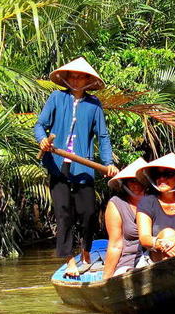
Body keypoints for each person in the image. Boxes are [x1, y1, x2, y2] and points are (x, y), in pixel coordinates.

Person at [34, 57, 118, 278]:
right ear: (67, 78)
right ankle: (70, 260)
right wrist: (43, 140)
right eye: (73, 75)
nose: (77, 79)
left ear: (88, 80)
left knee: (89, 212)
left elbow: (102, 135)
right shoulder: (56, 98)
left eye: (82, 76)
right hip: (57, 164)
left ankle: (86, 250)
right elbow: (40, 125)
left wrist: (108, 163)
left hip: (83, 166)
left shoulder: (94, 104)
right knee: (63, 213)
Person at [102, 157, 148, 280]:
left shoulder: (155, 200)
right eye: (132, 181)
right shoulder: (117, 204)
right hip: (129, 261)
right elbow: (115, 245)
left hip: (153, 257)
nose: (136, 185)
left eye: (140, 181)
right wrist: (106, 279)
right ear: (125, 183)